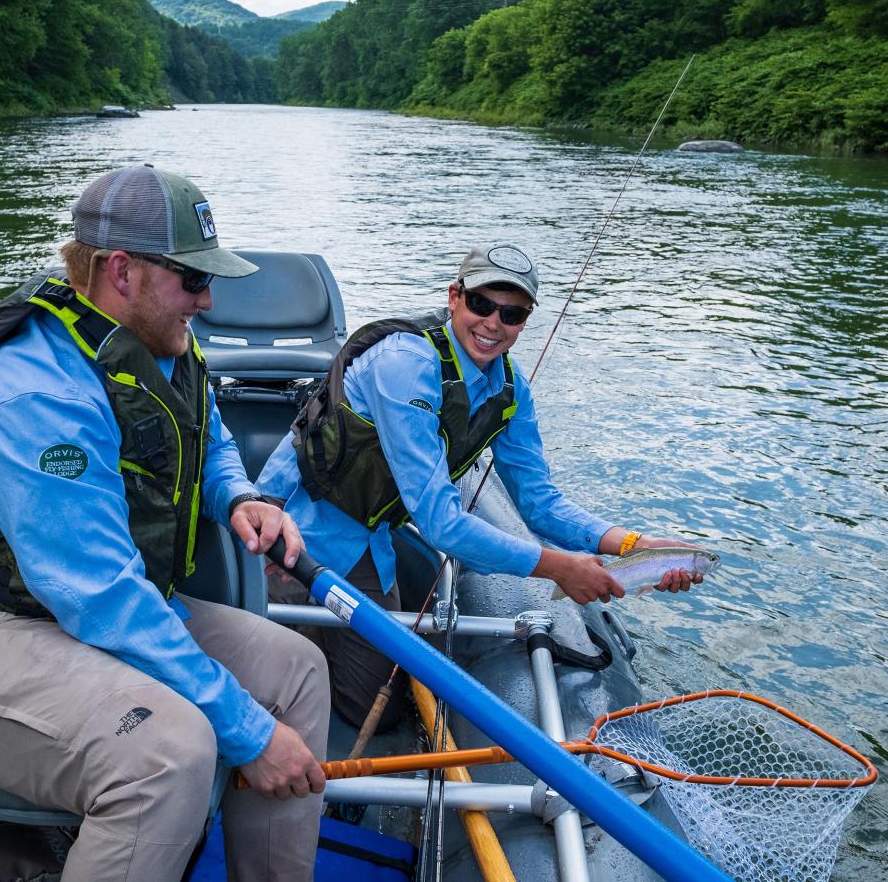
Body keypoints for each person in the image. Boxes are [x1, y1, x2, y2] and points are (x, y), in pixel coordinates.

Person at [0, 164, 329, 882]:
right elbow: (103, 598)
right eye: (192, 279)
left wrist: (238, 498)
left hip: (83, 616)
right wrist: (250, 735)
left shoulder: (159, 343)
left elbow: (204, 434)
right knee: (169, 751)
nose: (208, 299)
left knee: (298, 669)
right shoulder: (36, 395)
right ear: (121, 271)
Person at [257, 242, 703, 729]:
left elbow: (538, 503)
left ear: (525, 320)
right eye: (481, 304)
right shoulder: (406, 363)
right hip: (295, 528)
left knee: (374, 713)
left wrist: (635, 546)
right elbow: (440, 522)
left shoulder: (510, 390)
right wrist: (558, 569)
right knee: (283, 688)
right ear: (454, 297)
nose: (493, 323)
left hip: (370, 537)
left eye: (511, 313)